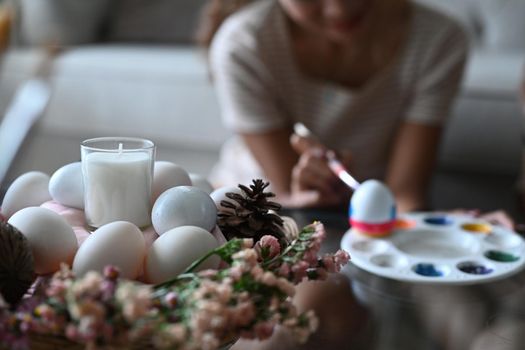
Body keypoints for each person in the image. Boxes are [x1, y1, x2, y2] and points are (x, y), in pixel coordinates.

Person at [200, 0, 468, 214]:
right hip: (256, 207)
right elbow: (286, 192)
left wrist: (446, 230)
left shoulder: (438, 40)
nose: (338, 9)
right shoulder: (243, 45)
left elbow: (405, 194)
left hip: (367, 214)